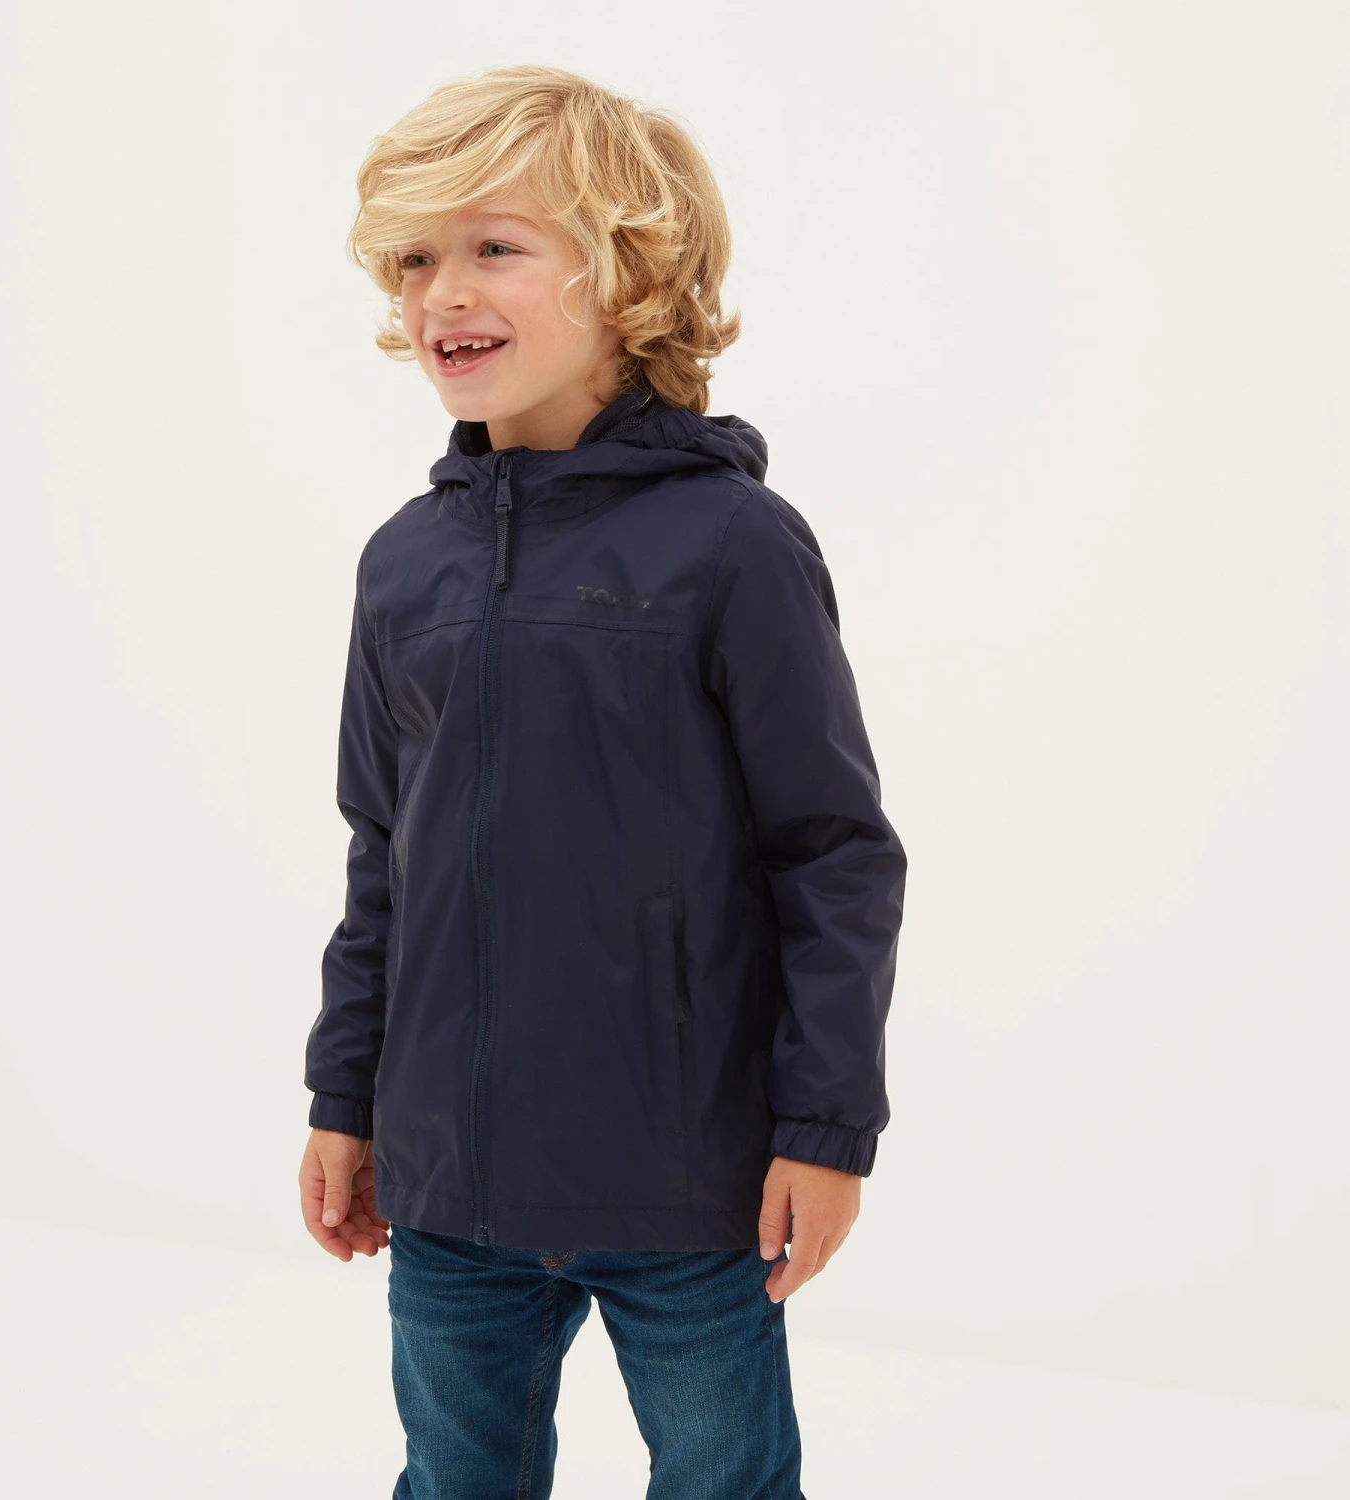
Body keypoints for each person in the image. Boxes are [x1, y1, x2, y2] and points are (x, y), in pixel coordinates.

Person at [297, 64, 908, 1500]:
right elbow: (382, 856)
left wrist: (827, 1130)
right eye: (414, 258)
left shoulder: (734, 546)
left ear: (630, 278)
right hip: (450, 1189)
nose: (443, 291)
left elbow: (832, 855)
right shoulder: (404, 565)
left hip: (685, 1184)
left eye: (495, 245)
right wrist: (346, 1096)